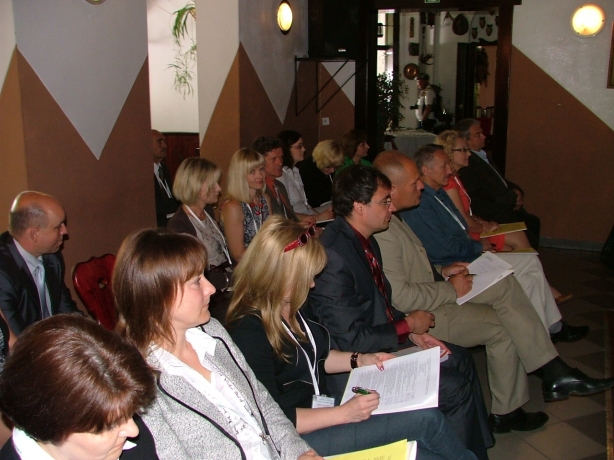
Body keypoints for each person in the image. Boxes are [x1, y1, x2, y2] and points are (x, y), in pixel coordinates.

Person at [373, 151, 613, 432]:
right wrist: (449, 287)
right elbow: (401, 298)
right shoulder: (384, 228)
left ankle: (528, 394)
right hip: (422, 315)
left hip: (435, 290)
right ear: (392, 188)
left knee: (505, 291)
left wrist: (444, 271)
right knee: (504, 314)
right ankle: (545, 378)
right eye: (415, 182)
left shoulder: (396, 217)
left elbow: (415, 266)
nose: (421, 186)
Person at [226, 216, 478, 459]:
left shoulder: (290, 304)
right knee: (426, 422)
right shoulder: (248, 332)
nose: (312, 285)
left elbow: (318, 357)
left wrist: (360, 359)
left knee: (424, 435)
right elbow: (269, 417)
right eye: (307, 277)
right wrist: (344, 414)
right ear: (280, 275)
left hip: (323, 407)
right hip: (296, 437)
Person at [306, 165, 493, 460]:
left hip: (374, 344)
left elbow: (380, 303)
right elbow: (350, 339)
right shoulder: (335, 256)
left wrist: (413, 334)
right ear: (359, 206)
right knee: (454, 387)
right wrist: (407, 325)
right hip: (351, 370)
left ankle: (472, 452)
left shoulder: (364, 239)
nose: (391, 208)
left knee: (460, 358)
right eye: (384, 201)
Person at [113, 229, 319, 460]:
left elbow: (265, 406)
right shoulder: (139, 384)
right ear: (158, 295)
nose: (210, 288)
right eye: (196, 282)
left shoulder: (212, 332)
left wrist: (297, 453)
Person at [401, 145, 586, 339]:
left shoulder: (438, 194)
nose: (449, 170)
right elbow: (443, 248)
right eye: (444, 166)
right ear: (426, 170)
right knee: (527, 270)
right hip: (458, 265)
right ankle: (550, 331)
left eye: (449, 164)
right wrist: (478, 246)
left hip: (469, 255)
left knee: (529, 272)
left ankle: (549, 331)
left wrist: (477, 239)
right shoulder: (422, 203)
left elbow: (460, 226)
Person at [436, 130, 573, 305]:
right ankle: (544, 290)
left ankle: (538, 291)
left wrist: (479, 220)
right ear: (449, 152)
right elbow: (461, 219)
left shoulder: (455, 178)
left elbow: (462, 212)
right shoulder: (448, 182)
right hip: (469, 235)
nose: (468, 153)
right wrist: (483, 226)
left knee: (517, 240)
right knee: (518, 242)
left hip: (472, 229)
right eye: (463, 150)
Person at [0, 314, 158, 460]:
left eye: (130, 413)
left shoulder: (127, 433)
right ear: (49, 428)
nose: (133, 431)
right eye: (110, 426)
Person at [0, 191, 80, 335]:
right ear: (34, 234)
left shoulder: (52, 257)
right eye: (58, 226)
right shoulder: (3, 274)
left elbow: (68, 313)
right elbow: (16, 340)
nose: (65, 231)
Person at [454, 119, 540, 249]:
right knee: (525, 233)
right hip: (492, 211)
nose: (484, 137)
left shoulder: (482, 156)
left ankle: (530, 257)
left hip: (501, 205)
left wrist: (516, 190)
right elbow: (486, 191)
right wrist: (512, 198)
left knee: (533, 222)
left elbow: (500, 180)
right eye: (478, 134)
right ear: (466, 139)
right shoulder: (468, 164)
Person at [168, 157, 233, 322]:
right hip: (209, 295)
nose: (218, 188)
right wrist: (230, 279)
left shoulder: (208, 212)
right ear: (196, 186)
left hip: (226, 285)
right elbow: (189, 274)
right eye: (213, 184)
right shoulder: (179, 225)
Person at [220, 148, 272, 263]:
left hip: (266, 262)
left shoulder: (265, 199)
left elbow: (271, 236)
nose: (260, 176)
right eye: (252, 172)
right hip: (245, 267)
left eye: (261, 169)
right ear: (240, 175)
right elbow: (238, 255)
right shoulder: (233, 207)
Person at [252, 136, 316, 227]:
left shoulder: (279, 185)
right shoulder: (258, 191)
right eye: (274, 159)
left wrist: (303, 224)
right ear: (260, 162)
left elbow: (289, 217)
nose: (280, 162)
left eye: (281, 157)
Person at [277, 131, 333, 221]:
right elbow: (286, 213)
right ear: (287, 149)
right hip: (299, 222)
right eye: (299, 146)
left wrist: (321, 218)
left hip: (308, 215)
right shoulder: (281, 175)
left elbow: (306, 204)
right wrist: (318, 218)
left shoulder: (296, 171)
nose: (303, 149)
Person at [298, 140, 345, 209]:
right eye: (328, 167)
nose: (332, 171)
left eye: (335, 167)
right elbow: (311, 201)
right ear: (321, 162)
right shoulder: (306, 170)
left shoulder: (326, 170)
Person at [152, 130, 180, 228]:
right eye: (159, 142)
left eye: (164, 142)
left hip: (173, 221)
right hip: (158, 224)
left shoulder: (164, 168)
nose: (165, 146)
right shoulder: (143, 173)